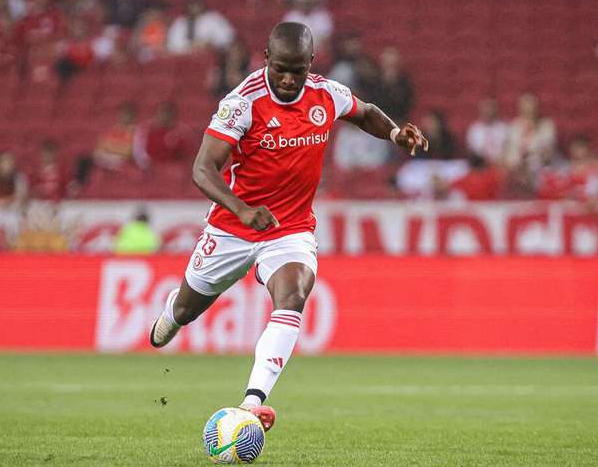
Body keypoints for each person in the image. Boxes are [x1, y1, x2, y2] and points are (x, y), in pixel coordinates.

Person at [148, 22, 427, 431]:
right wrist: (242, 210)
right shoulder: (243, 102)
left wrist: (395, 133)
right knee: (189, 310)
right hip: (232, 228)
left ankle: (251, 403)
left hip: (289, 228)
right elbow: (203, 169)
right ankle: (174, 309)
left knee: (294, 294)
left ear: (311, 62)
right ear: (265, 59)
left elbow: (364, 113)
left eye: (297, 69)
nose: (287, 78)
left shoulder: (325, 94)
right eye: (280, 67)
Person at [166, 0, 235, 55]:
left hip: (212, 55)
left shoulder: (213, 18)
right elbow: (172, 45)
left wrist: (210, 43)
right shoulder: (181, 22)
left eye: (197, 3)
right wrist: (192, 46)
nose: (194, 7)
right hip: (188, 58)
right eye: (191, 4)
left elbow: (228, 38)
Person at [466, 98, 508, 165]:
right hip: (480, 164)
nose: (488, 112)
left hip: (501, 163)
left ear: (496, 110)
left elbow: (508, 148)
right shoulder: (474, 129)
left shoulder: (504, 128)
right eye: (486, 110)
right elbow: (471, 150)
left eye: (491, 109)